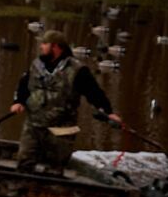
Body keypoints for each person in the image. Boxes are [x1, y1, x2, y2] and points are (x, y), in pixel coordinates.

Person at [8, 32, 120, 175]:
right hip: (34, 125)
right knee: (24, 163)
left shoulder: (78, 70)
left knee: (54, 170)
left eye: (44, 44)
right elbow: (23, 85)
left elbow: (94, 93)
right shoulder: (36, 65)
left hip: (62, 128)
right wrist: (18, 102)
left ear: (55, 47)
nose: (41, 47)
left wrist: (108, 112)